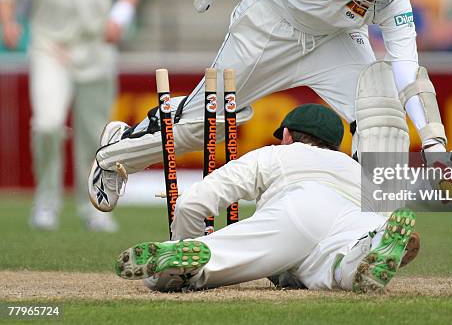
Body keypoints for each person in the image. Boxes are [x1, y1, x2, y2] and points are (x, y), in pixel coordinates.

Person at [88, 0, 452, 214]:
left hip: (335, 41)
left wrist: (434, 143)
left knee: (381, 115)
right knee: (206, 124)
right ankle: (117, 152)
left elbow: (406, 67)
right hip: (268, 27)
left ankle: (366, 229)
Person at [115, 104, 421, 293]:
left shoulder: (276, 154)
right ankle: (369, 250)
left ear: (287, 134)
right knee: (335, 268)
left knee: (215, 255)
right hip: (357, 221)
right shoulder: (354, 168)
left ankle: (183, 257)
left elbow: (193, 203)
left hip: (298, 212)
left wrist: (186, 238)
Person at [0, 0, 141, 231]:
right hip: (50, 48)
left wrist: (119, 18)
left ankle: (92, 206)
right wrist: (8, 22)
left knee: (94, 134)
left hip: (96, 49)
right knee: (47, 125)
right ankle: (46, 201)